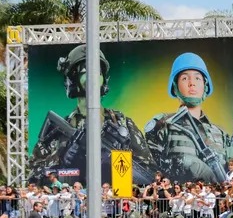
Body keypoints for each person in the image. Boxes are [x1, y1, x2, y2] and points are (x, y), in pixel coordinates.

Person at [27, 45, 156, 186]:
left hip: (113, 200)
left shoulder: (122, 123)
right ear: (72, 78)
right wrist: (64, 161)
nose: (93, 77)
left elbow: (148, 173)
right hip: (70, 201)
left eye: (98, 72)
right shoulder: (58, 131)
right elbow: (34, 177)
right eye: (86, 71)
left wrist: (116, 162)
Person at [145, 53, 233, 183]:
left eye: (198, 78)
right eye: (184, 78)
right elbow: (151, 169)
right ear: (175, 86)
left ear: (205, 86)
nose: (192, 83)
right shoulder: (164, 125)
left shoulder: (220, 134)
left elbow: (230, 172)